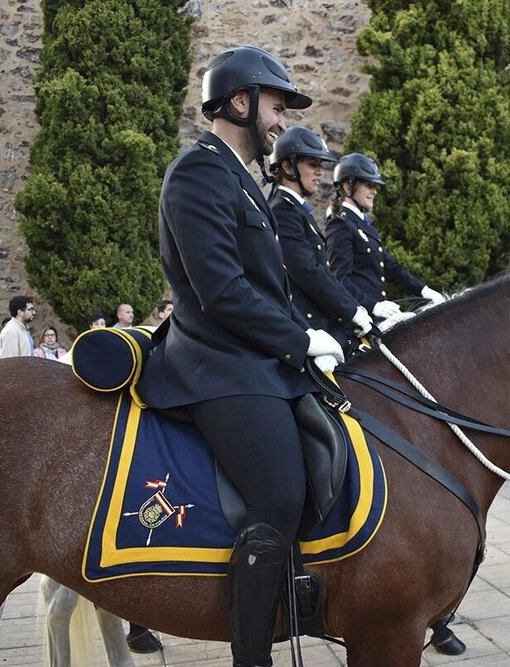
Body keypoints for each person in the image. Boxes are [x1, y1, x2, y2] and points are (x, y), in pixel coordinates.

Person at [133, 45, 347, 667]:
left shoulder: (242, 183)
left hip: (255, 357)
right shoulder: (199, 172)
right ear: (240, 101)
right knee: (278, 495)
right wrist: (299, 338)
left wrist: (302, 340)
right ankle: (251, 657)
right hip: (216, 362)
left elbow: (266, 287)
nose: (281, 123)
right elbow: (221, 291)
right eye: (276, 107)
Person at [269, 127, 373, 354]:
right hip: (309, 327)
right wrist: (351, 311)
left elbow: (321, 272)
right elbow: (308, 271)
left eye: (321, 166)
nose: (320, 173)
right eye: (312, 164)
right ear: (287, 166)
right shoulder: (282, 212)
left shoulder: (297, 211)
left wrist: (354, 308)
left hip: (325, 320)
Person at [324, 153, 445, 322]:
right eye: (368, 185)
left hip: (378, 316)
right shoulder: (340, 225)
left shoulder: (365, 226)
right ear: (347, 187)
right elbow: (340, 279)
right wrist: (373, 306)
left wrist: (424, 290)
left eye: (375, 185)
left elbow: (391, 267)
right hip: (359, 321)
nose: (374, 191)